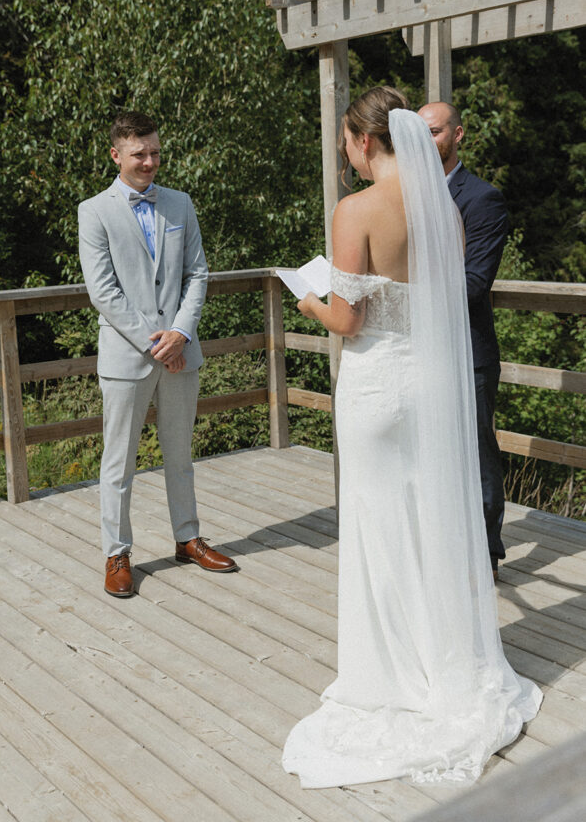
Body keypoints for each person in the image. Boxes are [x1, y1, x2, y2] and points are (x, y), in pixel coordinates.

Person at [282, 87, 540, 788]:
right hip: (428, 385)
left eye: (344, 140)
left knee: (377, 526)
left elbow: (346, 322)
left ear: (364, 142)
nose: (345, 152)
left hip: (374, 389)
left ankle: (389, 672)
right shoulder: (446, 216)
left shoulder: (354, 211)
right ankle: (444, 660)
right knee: (430, 524)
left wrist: (302, 295)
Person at [78, 110, 237, 598]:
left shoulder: (180, 203)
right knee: (118, 460)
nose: (149, 162)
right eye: (139, 154)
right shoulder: (94, 210)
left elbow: (198, 273)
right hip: (129, 357)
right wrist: (158, 341)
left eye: (154, 152)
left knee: (180, 454)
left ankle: (187, 539)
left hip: (181, 350)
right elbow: (103, 292)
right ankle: (117, 552)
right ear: (116, 155)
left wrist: (182, 334)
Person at [418, 102, 508, 581]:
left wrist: (402, 289)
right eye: (420, 133)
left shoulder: (482, 198)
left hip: (468, 350)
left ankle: (489, 553)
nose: (426, 142)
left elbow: (474, 283)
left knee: (476, 449)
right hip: (418, 349)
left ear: (458, 136)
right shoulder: (405, 196)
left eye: (434, 132)